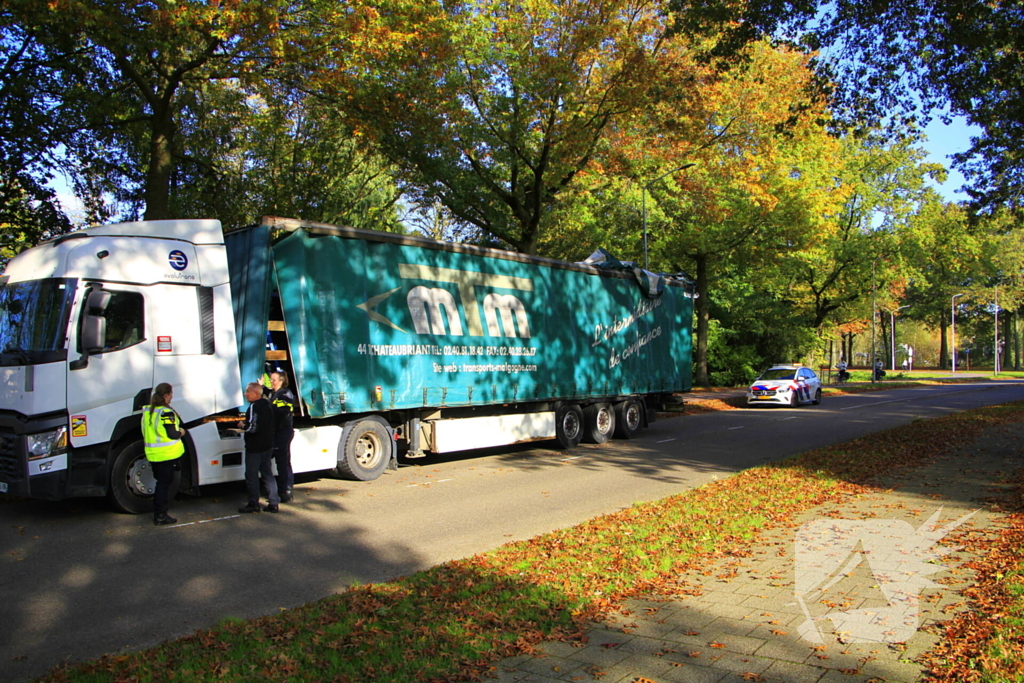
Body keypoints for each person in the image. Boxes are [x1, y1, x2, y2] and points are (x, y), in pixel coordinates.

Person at [142, 383, 185, 526]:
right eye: (171, 394)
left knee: (160, 484)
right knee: (164, 486)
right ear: (166, 395)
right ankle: (161, 515)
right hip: (167, 454)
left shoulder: (148, 411)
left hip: (153, 454)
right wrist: (181, 432)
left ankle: (160, 513)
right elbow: (172, 434)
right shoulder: (166, 413)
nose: (172, 397)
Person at [238, 381, 279, 514]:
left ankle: (253, 503)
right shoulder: (268, 404)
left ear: (255, 393)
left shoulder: (254, 407)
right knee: (267, 474)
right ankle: (273, 502)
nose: (245, 394)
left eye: (247, 392)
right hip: (267, 444)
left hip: (255, 446)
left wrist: (242, 426)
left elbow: (253, 427)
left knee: (251, 475)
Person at [268, 371, 296, 502]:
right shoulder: (274, 393)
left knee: (283, 462)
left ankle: (286, 490)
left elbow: (281, 413)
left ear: (281, 381)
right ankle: (279, 489)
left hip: (282, 432)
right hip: (276, 432)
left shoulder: (285, 394)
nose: (271, 382)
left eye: (273, 380)